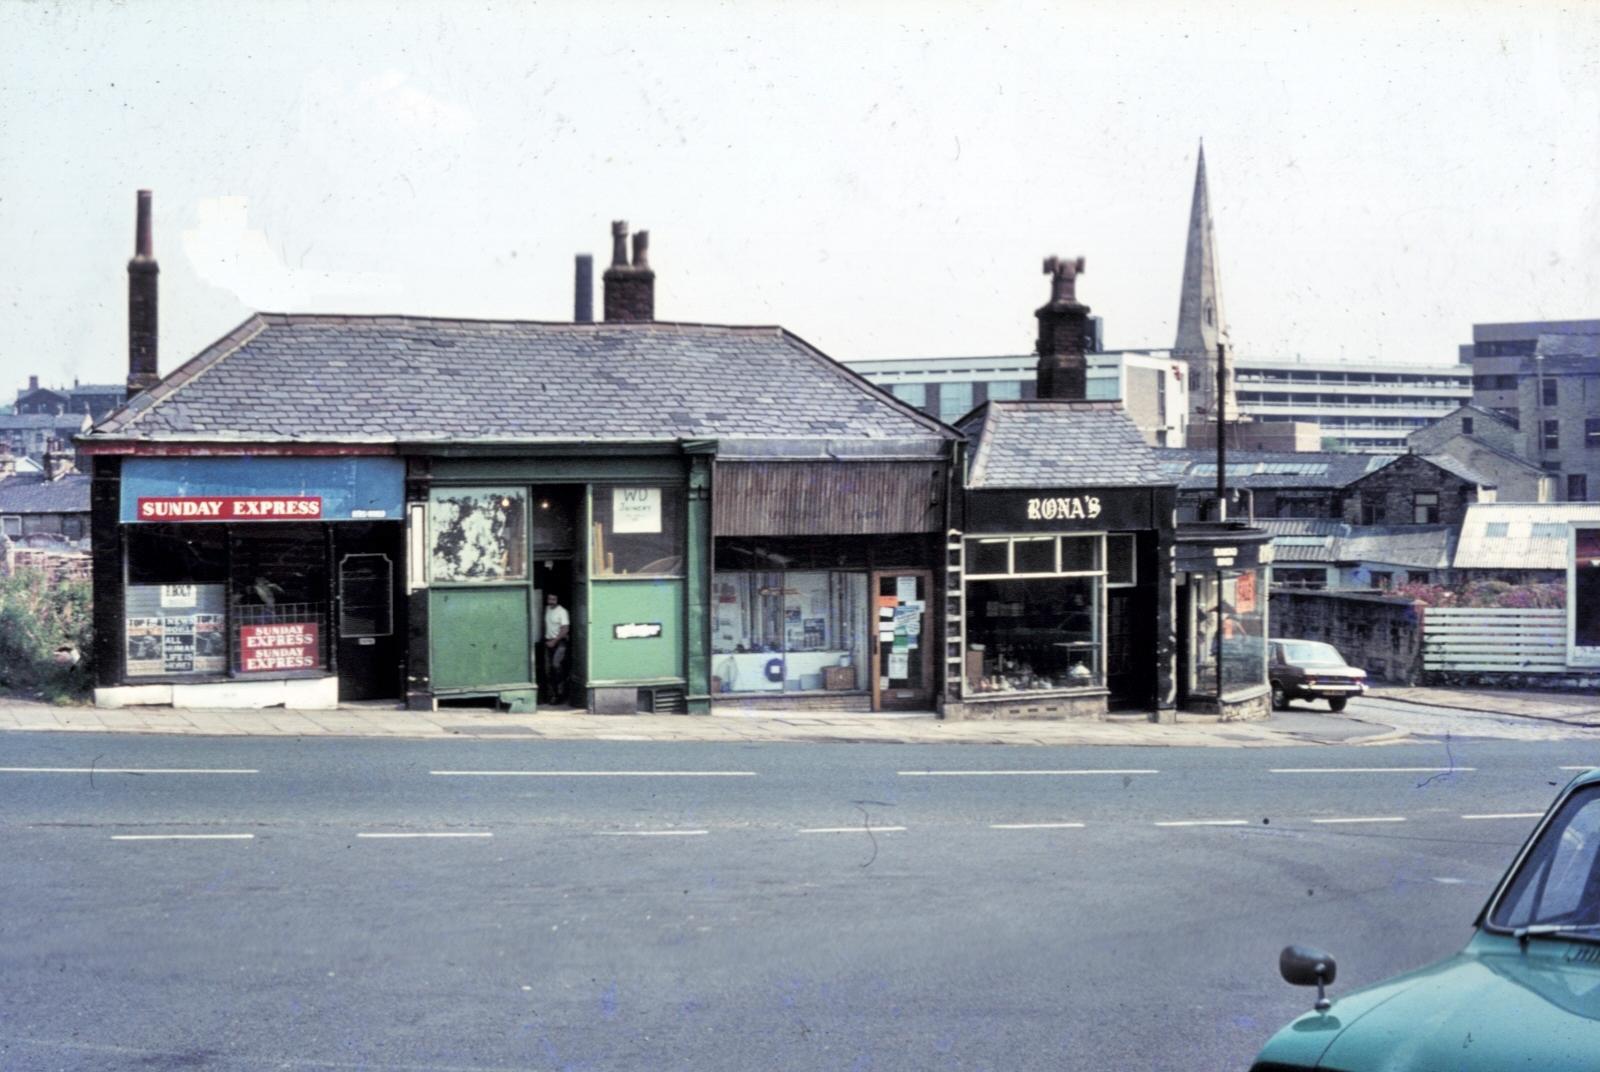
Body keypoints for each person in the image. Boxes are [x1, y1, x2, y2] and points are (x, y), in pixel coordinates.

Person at [541, 592, 571, 705]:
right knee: (548, 669)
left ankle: (561, 692)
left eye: (553, 599)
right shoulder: (546, 609)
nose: (551, 601)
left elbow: (565, 629)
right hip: (548, 641)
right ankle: (552, 694)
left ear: (557, 600)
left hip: (559, 642)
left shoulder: (562, 611)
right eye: (549, 598)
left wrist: (554, 641)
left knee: (556, 665)